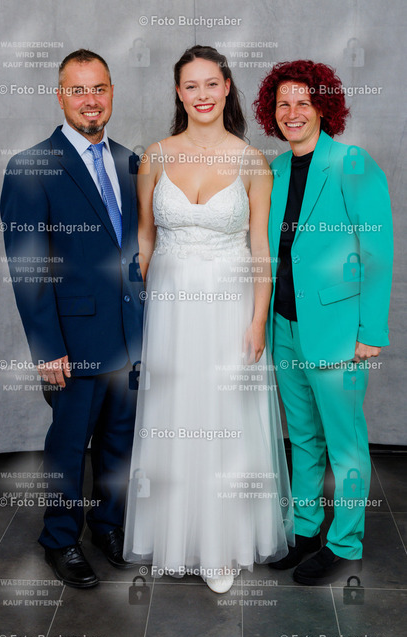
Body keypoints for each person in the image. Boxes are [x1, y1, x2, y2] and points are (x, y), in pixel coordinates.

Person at [122, 45, 294, 594]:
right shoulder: (154, 157)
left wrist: (258, 320)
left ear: (226, 88)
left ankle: (223, 547)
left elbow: (261, 250)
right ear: (179, 92)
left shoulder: (252, 162)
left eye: (211, 84)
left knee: (227, 419)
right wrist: (135, 312)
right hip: (171, 310)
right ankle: (171, 537)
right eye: (190, 85)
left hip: (229, 307)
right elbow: (145, 239)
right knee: (173, 415)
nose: (202, 95)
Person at [0, 49, 144, 588]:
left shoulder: (130, 162)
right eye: (78, 90)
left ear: (112, 93)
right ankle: (60, 539)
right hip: (72, 340)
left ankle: (108, 526)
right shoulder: (31, 166)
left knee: (119, 442)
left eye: (99, 88)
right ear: (60, 96)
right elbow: (27, 266)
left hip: (129, 337)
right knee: (67, 445)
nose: (90, 100)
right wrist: (47, 347)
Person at [254, 60, 393, 585]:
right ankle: (307, 529)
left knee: (345, 442)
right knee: (304, 438)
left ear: (323, 108)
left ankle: (345, 541)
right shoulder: (275, 170)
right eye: (282, 104)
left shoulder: (352, 164)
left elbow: (377, 252)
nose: (291, 113)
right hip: (285, 326)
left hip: (338, 331)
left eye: (303, 102)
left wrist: (370, 333)